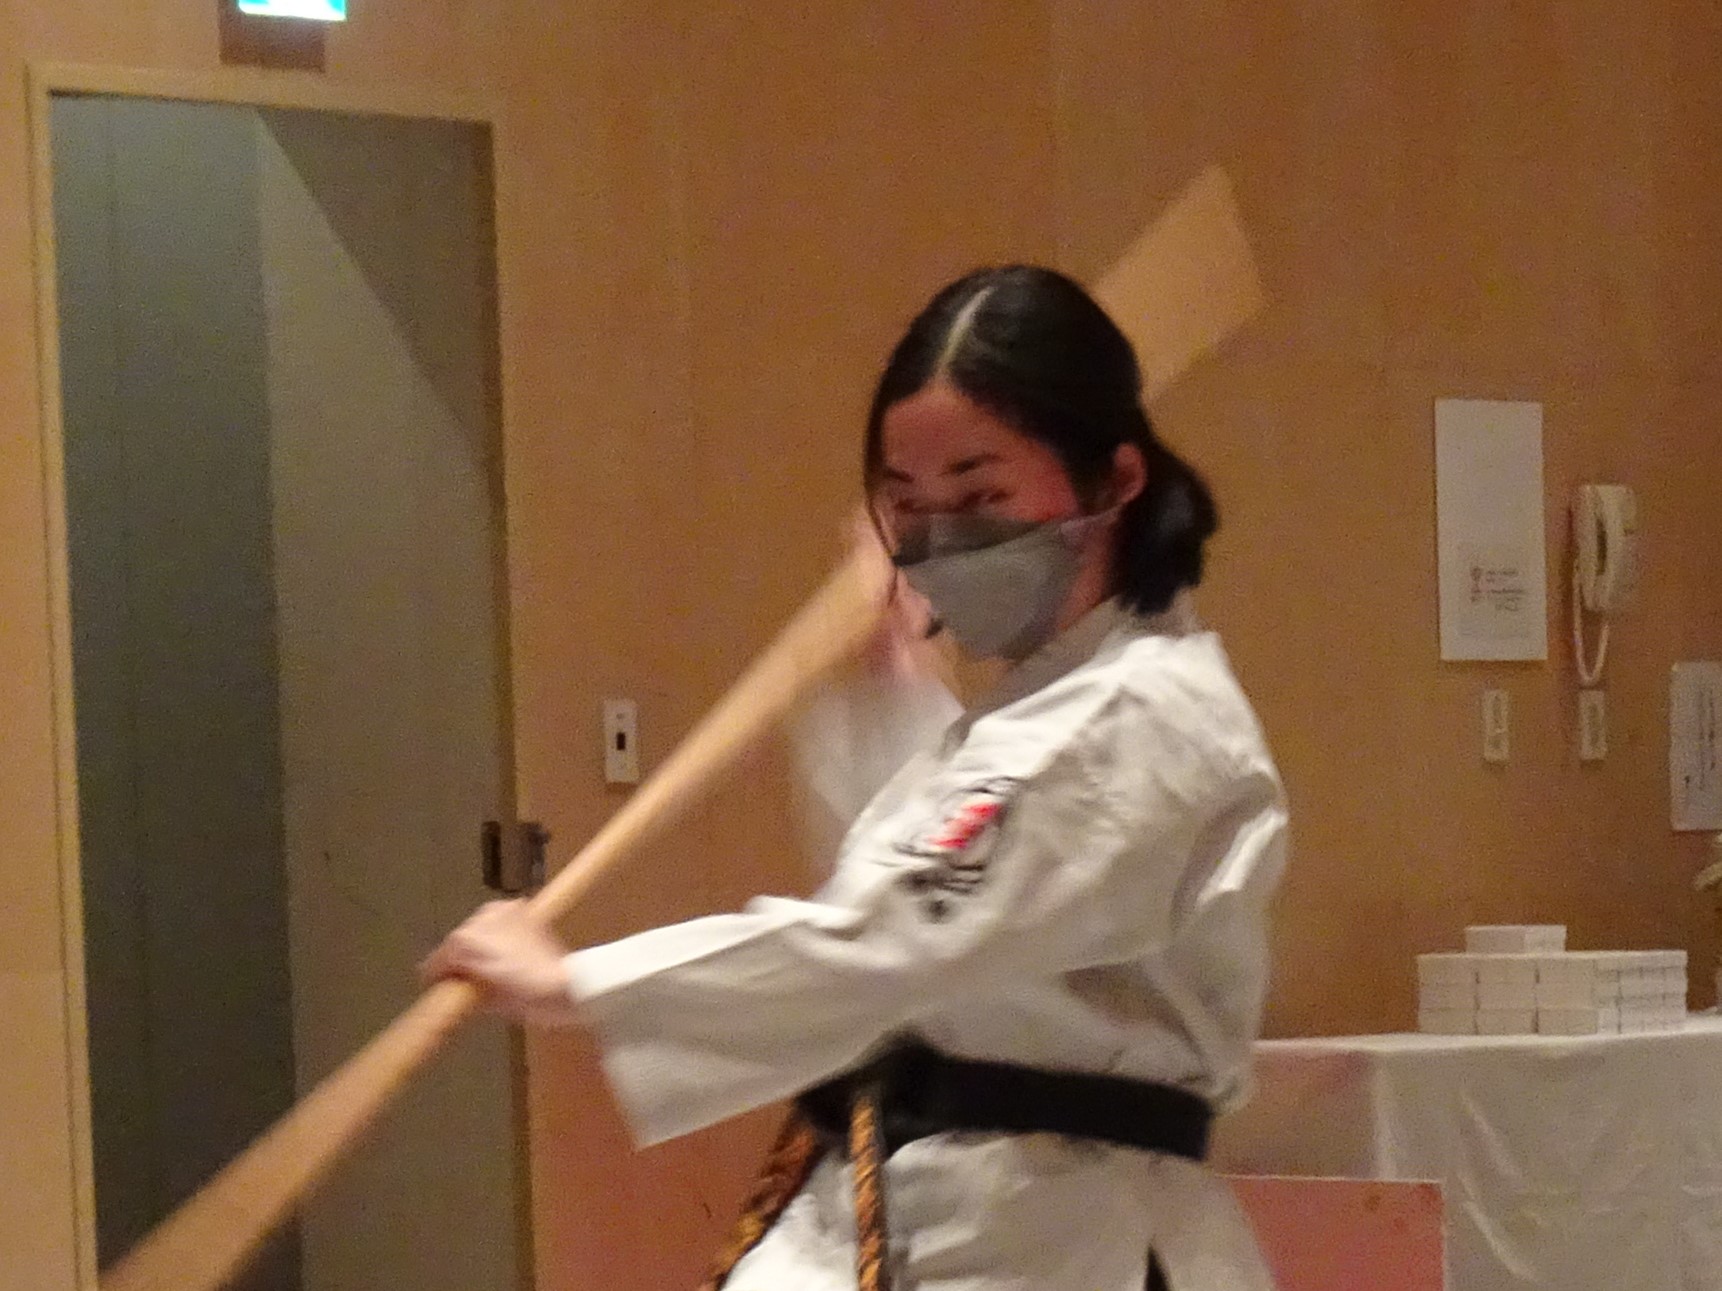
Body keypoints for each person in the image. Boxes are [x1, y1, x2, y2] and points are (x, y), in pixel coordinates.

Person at [424, 265, 1289, 1290]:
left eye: (981, 495)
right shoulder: (1042, 712)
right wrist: (896, 685)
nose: (941, 539)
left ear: (1114, 483)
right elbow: (930, 893)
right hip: (943, 1204)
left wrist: (575, 982)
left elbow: (892, 937)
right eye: (908, 504)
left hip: (1056, 1234)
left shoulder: (1142, 719)